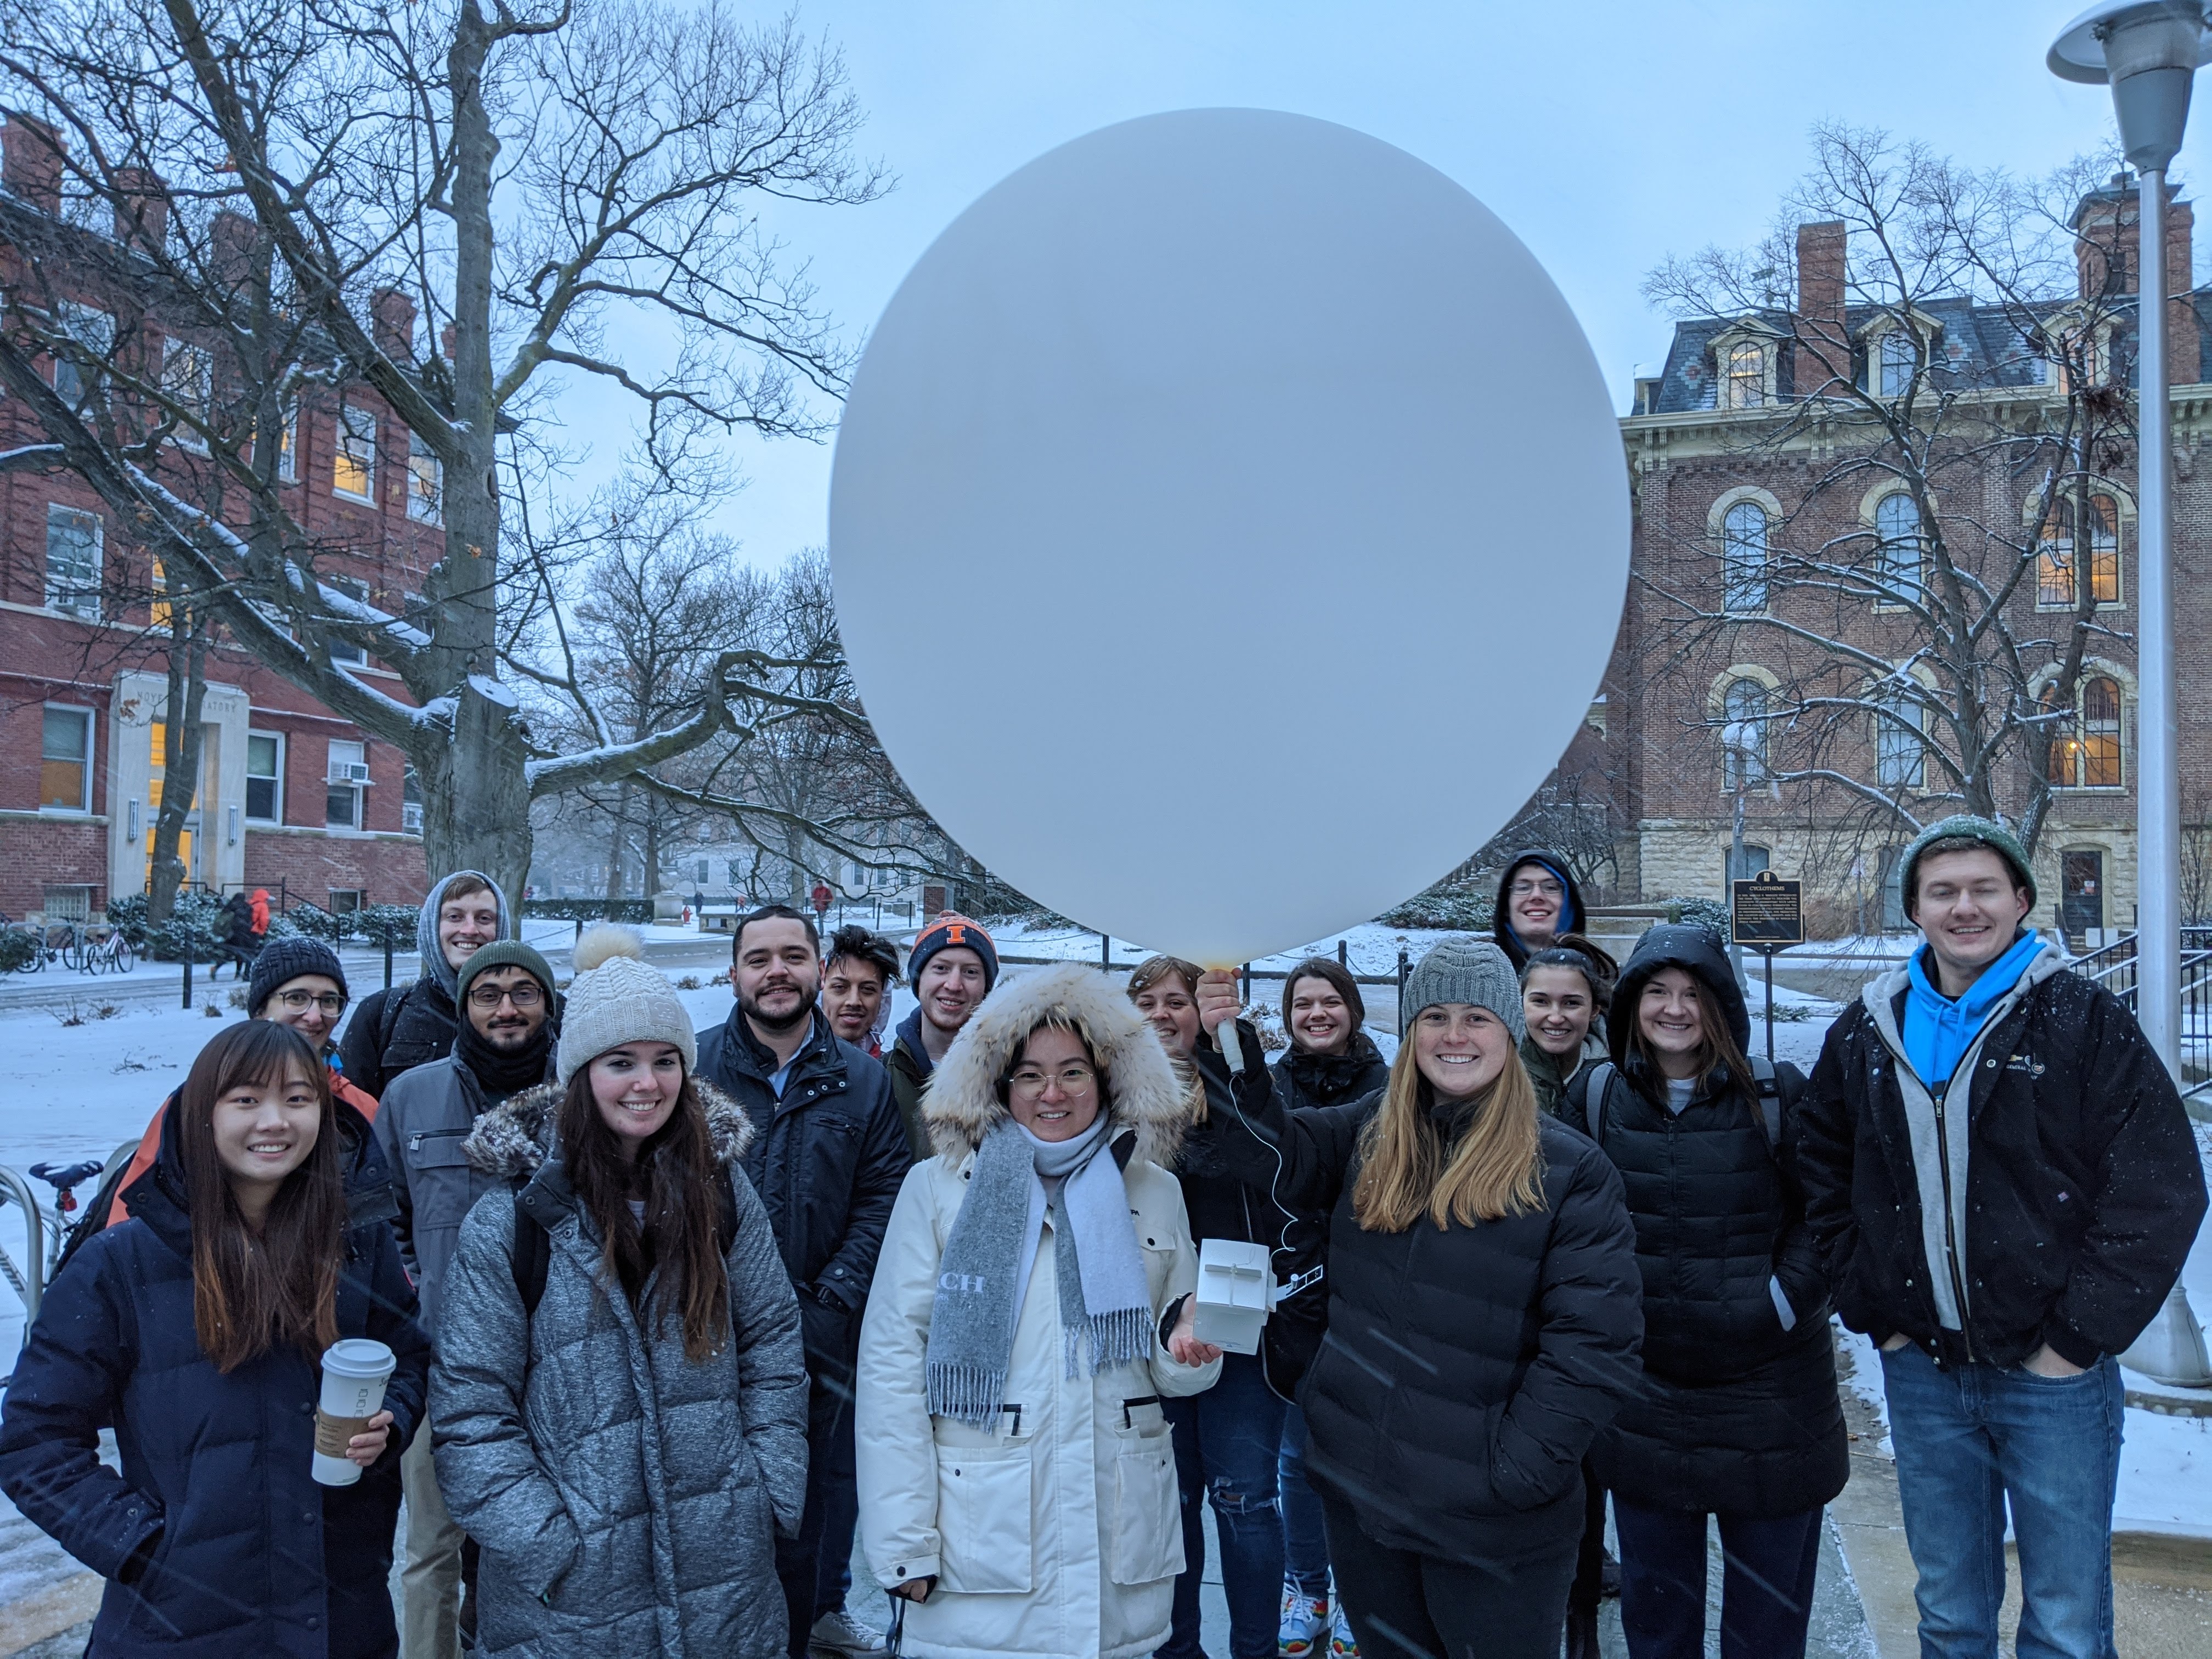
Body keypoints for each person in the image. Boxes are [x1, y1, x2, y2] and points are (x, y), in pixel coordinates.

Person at [1799, 815, 2208, 1659]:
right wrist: (1878, 1313)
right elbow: (1819, 1176)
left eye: (1985, 889)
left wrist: (2074, 1340)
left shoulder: (2081, 1021)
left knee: (2064, 1625)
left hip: (2053, 1381)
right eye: (1942, 891)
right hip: (1925, 1373)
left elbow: (2158, 1189)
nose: (1965, 908)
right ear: (1914, 908)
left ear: (2022, 899)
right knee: (1950, 1617)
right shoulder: (1868, 1033)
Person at [1195, 936, 1643, 1659]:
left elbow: (1595, 1349)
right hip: (1366, 1504)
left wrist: (1514, 1475)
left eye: (1476, 1018)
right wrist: (1227, 1043)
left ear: (1508, 1029)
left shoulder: (1569, 1169)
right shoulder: (1370, 1134)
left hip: (1493, 1530)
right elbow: (1267, 1152)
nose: (1454, 1036)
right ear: (1410, 1033)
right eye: (1434, 1017)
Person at [432, 927, 811, 1658]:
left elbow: (772, 1347)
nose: (648, 1082)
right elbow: (472, 1412)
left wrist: (762, 1493)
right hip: (573, 1602)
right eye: (621, 1062)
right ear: (581, 1074)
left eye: (666, 1060)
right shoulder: (514, 1221)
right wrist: (549, 1547)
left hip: (723, 1573)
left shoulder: (724, 1196)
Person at [0, 1020, 430, 1658]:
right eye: (247, 1100)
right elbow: (32, 1439)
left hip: (339, 1610)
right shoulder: (121, 1265)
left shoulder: (354, 1244)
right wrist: (139, 1545)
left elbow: (410, 1355)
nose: (275, 1122)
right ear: (202, 1113)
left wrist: (391, 1416)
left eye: (298, 1099)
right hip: (179, 1623)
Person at [855, 962, 1223, 1657]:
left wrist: (1189, 1350)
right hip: (980, 1551)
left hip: (1118, 1550)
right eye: (1029, 1074)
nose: (1051, 1093)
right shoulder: (937, 1192)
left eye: (1073, 1072)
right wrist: (904, 1543)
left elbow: (1173, 1375)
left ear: (1108, 1078)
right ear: (999, 1085)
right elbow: (890, 1369)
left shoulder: (1153, 1190)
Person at [1566, 924, 1845, 1659]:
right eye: (1657, 991)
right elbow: (1562, 1224)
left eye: (1693, 993)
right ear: (1631, 1004)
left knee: (1766, 1630)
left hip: (1773, 1401)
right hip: (1647, 1403)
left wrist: (1780, 1303)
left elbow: (1829, 1214)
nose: (1675, 1009)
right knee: (1659, 1628)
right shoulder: (1595, 1098)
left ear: (1721, 1004)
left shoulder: (1777, 1094)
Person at [695, 906, 909, 1659]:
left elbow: (885, 1197)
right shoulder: (690, 1072)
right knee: (706, 1531)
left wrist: (832, 1299)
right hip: (702, 1342)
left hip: (819, 1344)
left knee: (800, 1529)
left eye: (792, 955)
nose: (776, 971)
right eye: (759, 958)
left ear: (818, 969)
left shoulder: (862, 1083)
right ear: (735, 974)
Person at [1128, 956, 1327, 1659]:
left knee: (1245, 1501)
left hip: (1238, 1320)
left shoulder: (1241, 1087)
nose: (1161, 1014)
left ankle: (1256, 1649)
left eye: (1176, 1001)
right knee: (1169, 1505)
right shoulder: (1114, 1097)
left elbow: (1273, 1156)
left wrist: (1224, 1041)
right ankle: (1177, 1648)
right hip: (1149, 1330)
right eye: (1146, 1001)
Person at [375, 939, 560, 1659]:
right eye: (488, 994)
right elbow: (381, 1220)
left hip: (557, 1365)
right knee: (430, 1550)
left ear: (547, 1002)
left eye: (524, 991)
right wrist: (424, 1299)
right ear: (464, 1006)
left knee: (546, 1540)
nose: (507, 1007)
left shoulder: (584, 1097)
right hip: (442, 1365)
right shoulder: (412, 1097)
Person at [88, 937, 378, 1242]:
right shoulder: (202, 1099)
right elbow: (134, 1220)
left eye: (329, 1001)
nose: (315, 1016)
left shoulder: (360, 1108)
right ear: (260, 1010)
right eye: (297, 998)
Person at [1267, 957, 1389, 1658]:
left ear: (1352, 1008)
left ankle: (1355, 1590)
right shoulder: (1274, 1085)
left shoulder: (1390, 1084)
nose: (1316, 1014)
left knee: (1364, 1456)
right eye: (1303, 1004)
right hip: (1292, 1289)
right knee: (1297, 1452)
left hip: (1366, 1284)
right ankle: (1304, 1582)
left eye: (1329, 1001)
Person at [341, 871, 510, 1100]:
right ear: (432, 927)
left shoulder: (537, 1013)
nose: (470, 930)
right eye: (454, 917)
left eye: (484, 919)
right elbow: (354, 1119)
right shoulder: (380, 1015)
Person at [884, 913, 998, 1161]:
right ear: (919, 979)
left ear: (986, 988)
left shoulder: (1008, 1077)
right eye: (941, 969)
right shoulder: (880, 1078)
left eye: (970, 972)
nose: (954, 985)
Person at [1521, 945, 1610, 1118]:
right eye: (1540, 1001)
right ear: (1521, 1004)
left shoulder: (1619, 1078)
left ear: (1594, 1011)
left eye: (1571, 1003)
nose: (1556, 1018)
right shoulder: (1499, 1072)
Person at [1492, 850, 1588, 970]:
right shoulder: (1479, 974)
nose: (1536, 896)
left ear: (1568, 904)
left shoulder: (1605, 975)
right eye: (1523, 888)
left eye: (1550, 887)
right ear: (1506, 906)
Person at [822, 923, 902, 1057]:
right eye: (840, 988)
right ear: (820, 994)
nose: (854, 1001)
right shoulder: (789, 1069)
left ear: (883, 1000)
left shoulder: (893, 1073)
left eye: (867, 989)